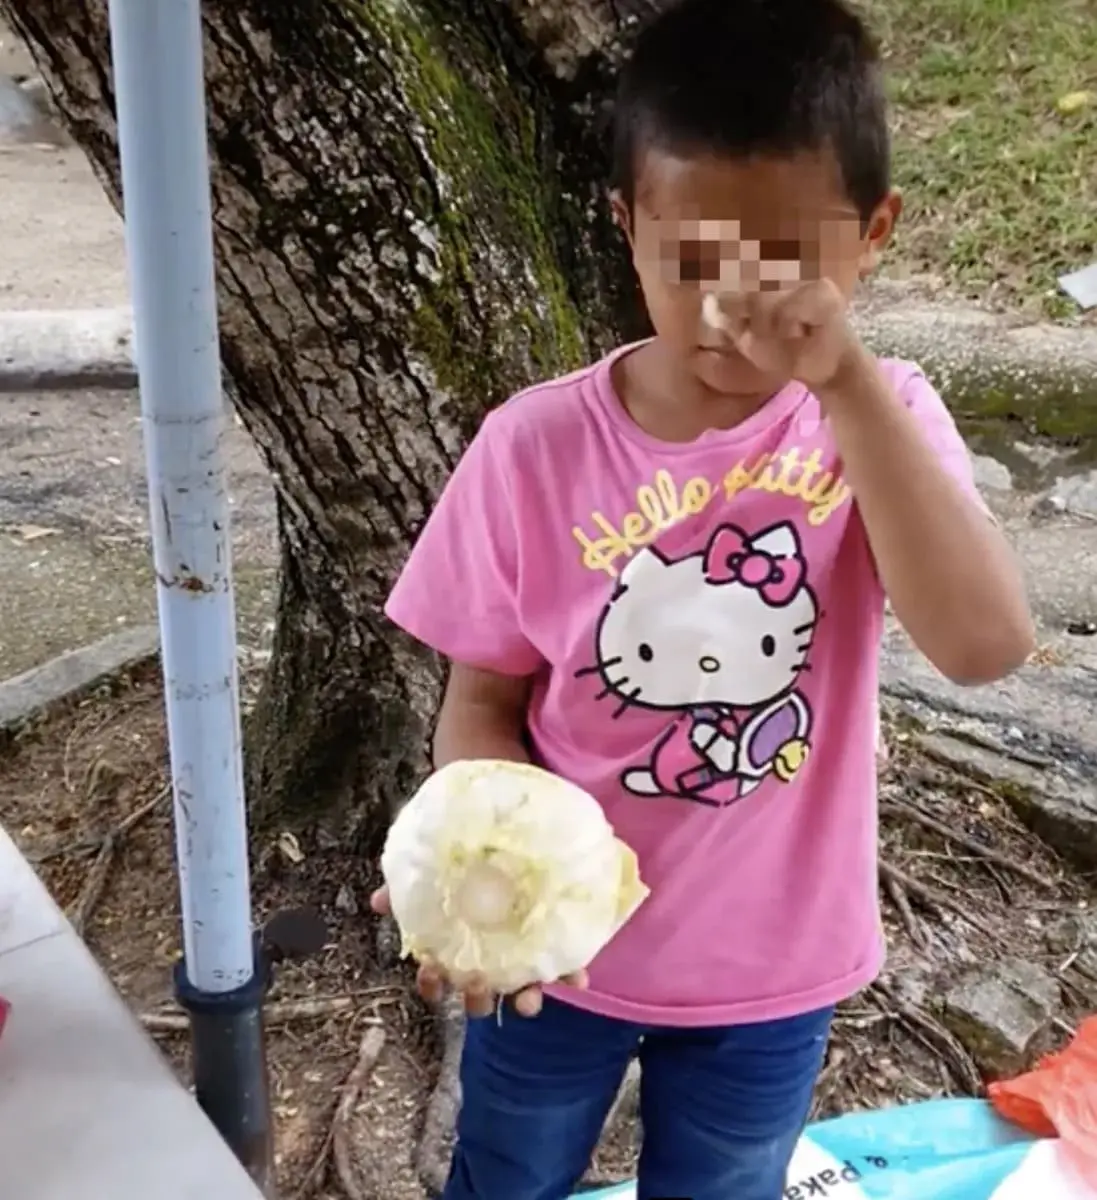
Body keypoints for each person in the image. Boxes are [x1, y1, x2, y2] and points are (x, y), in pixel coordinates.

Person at [373, 0, 1035, 1196]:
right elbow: (480, 704)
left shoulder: (880, 425)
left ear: (872, 235)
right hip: (554, 960)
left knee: (723, 1183)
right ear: (623, 225)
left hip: (773, 968)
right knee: (508, 1168)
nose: (730, 307)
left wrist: (846, 388)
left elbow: (983, 645)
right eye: (687, 263)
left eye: (782, 267)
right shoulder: (531, 448)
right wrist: (471, 871)